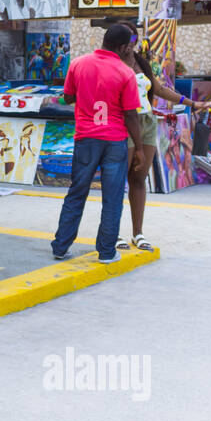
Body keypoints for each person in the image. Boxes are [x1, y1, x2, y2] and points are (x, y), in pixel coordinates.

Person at [51, 23, 142, 264]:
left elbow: (68, 97)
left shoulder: (78, 64)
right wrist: (140, 148)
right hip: (114, 140)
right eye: (129, 47)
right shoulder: (125, 73)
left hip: (86, 138)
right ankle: (106, 252)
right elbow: (131, 114)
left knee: (77, 191)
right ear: (122, 47)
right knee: (112, 198)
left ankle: (61, 246)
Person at [116, 38, 209, 252]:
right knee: (118, 180)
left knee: (139, 178)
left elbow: (160, 90)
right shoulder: (112, 63)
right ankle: (113, 233)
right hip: (123, 120)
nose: (130, 43)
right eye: (125, 38)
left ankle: (137, 233)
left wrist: (192, 103)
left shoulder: (141, 63)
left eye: (132, 37)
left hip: (146, 121)